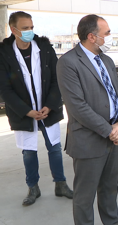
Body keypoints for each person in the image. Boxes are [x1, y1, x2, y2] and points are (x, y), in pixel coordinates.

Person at [57, 14, 118, 224]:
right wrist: (109, 130)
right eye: (106, 34)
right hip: (89, 141)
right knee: (84, 198)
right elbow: (77, 107)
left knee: (110, 190)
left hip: (114, 138)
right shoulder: (68, 62)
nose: (109, 37)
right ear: (91, 36)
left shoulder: (106, 60)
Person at [0, 11, 73, 206]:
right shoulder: (4, 53)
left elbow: (57, 79)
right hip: (24, 113)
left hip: (48, 109)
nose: (30, 31)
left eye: (31, 27)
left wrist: (49, 105)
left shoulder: (44, 47)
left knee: (55, 148)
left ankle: (61, 184)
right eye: (25, 28)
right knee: (29, 152)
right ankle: (33, 187)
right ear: (13, 30)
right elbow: (5, 89)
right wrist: (27, 111)